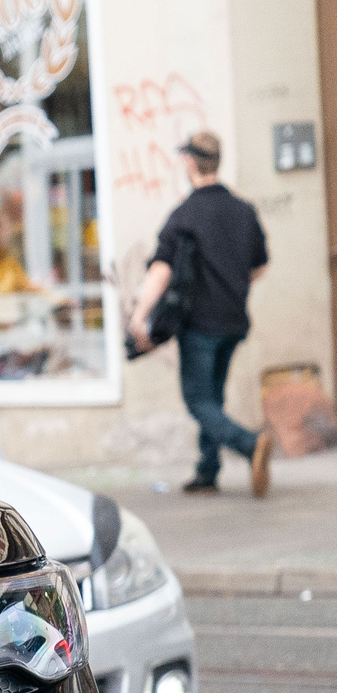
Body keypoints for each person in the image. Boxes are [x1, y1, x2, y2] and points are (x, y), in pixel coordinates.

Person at [131, 130, 273, 495]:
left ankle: (249, 444)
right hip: (234, 322)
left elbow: (161, 270)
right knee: (214, 397)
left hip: (200, 325)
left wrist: (139, 316)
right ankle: (207, 470)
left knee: (198, 402)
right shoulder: (244, 211)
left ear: (190, 162)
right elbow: (259, 266)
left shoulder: (185, 215)